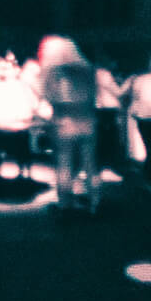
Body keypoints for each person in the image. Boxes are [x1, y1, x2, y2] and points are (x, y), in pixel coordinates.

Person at [37, 36, 98, 213]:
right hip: (87, 119)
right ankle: (95, 203)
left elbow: (47, 96)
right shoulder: (86, 68)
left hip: (63, 121)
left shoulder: (52, 71)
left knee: (64, 164)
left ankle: (65, 204)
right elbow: (94, 94)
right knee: (90, 164)